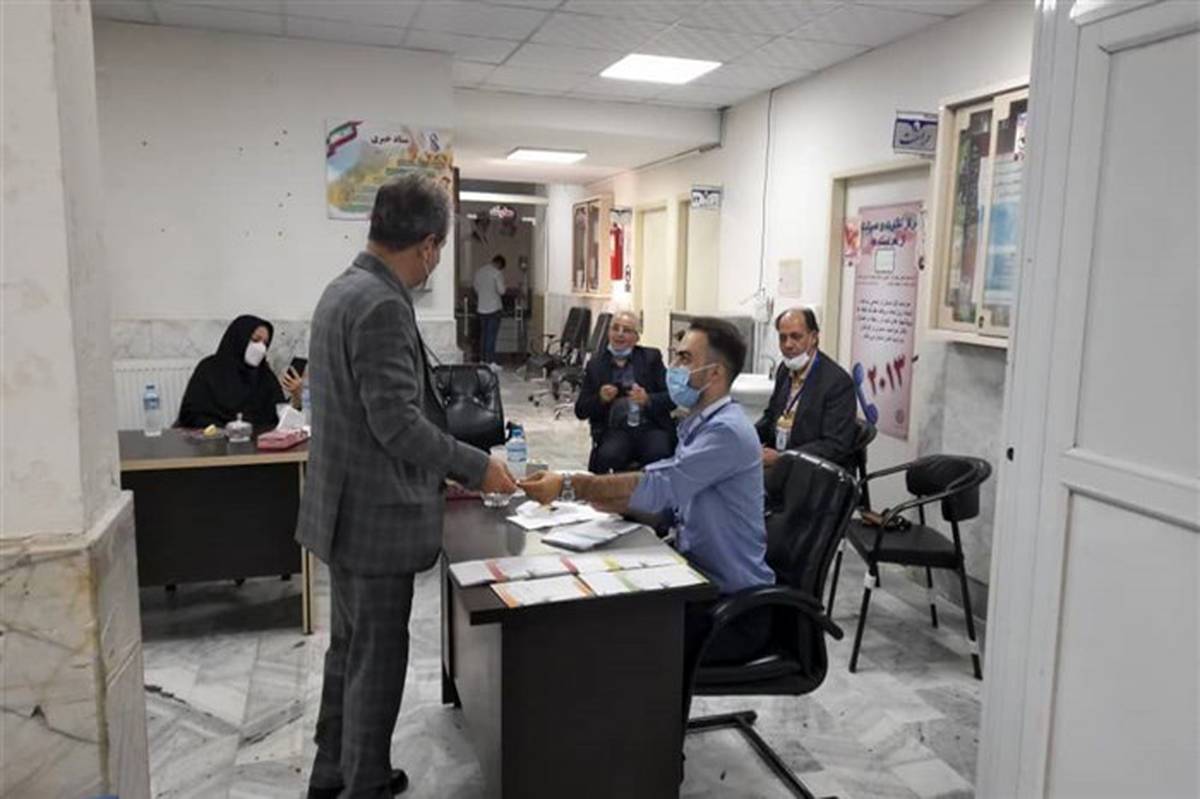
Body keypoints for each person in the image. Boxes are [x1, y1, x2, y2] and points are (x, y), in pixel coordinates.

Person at [297, 175, 518, 799]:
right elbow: (396, 423)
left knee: (349, 650)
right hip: (375, 518)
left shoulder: (343, 289)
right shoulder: (383, 305)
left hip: (344, 508)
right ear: (427, 245)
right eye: (438, 251)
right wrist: (476, 466)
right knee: (376, 657)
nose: (435, 263)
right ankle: (364, 783)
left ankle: (333, 772)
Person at [524, 317, 775, 674]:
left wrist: (570, 485)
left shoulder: (727, 432)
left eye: (685, 359)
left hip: (730, 610)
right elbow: (666, 500)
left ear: (715, 373)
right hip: (696, 582)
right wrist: (594, 504)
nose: (674, 368)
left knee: (609, 638)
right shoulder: (698, 425)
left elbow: (660, 487)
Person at [574, 310, 676, 473]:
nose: (619, 334)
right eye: (615, 328)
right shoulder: (596, 365)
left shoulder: (651, 358)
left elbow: (672, 398)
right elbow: (580, 410)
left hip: (650, 425)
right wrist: (601, 398)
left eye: (627, 330)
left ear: (636, 337)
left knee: (659, 453)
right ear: (609, 333)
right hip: (615, 429)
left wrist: (648, 399)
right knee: (609, 456)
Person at [756, 308, 857, 472]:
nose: (788, 345)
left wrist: (783, 458)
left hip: (815, 472)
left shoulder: (837, 382)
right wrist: (746, 438)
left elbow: (835, 446)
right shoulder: (784, 370)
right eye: (783, 338)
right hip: (781, 465)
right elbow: (771, 416)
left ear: (814, 338)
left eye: (796, 337)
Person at [176, 314, 302, 428]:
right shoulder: (209, 369)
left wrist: (296, 396)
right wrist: (227, 430)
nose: (261, 348)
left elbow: (280, 420)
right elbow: (190, 415)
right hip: (213, 441)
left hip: (256, 443)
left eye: (265, 343)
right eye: (255, 340)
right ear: (239, 338)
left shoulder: (265, 376)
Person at [473, 253, 507, 368]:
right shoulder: (497, 273)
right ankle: (490, 362)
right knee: (491, 336)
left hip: (481, 308)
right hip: (494, 309)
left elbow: (476, 289)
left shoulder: (479, 272)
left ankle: (482, 360)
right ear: (499, 264)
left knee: (483, 336)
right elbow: (502, 291)